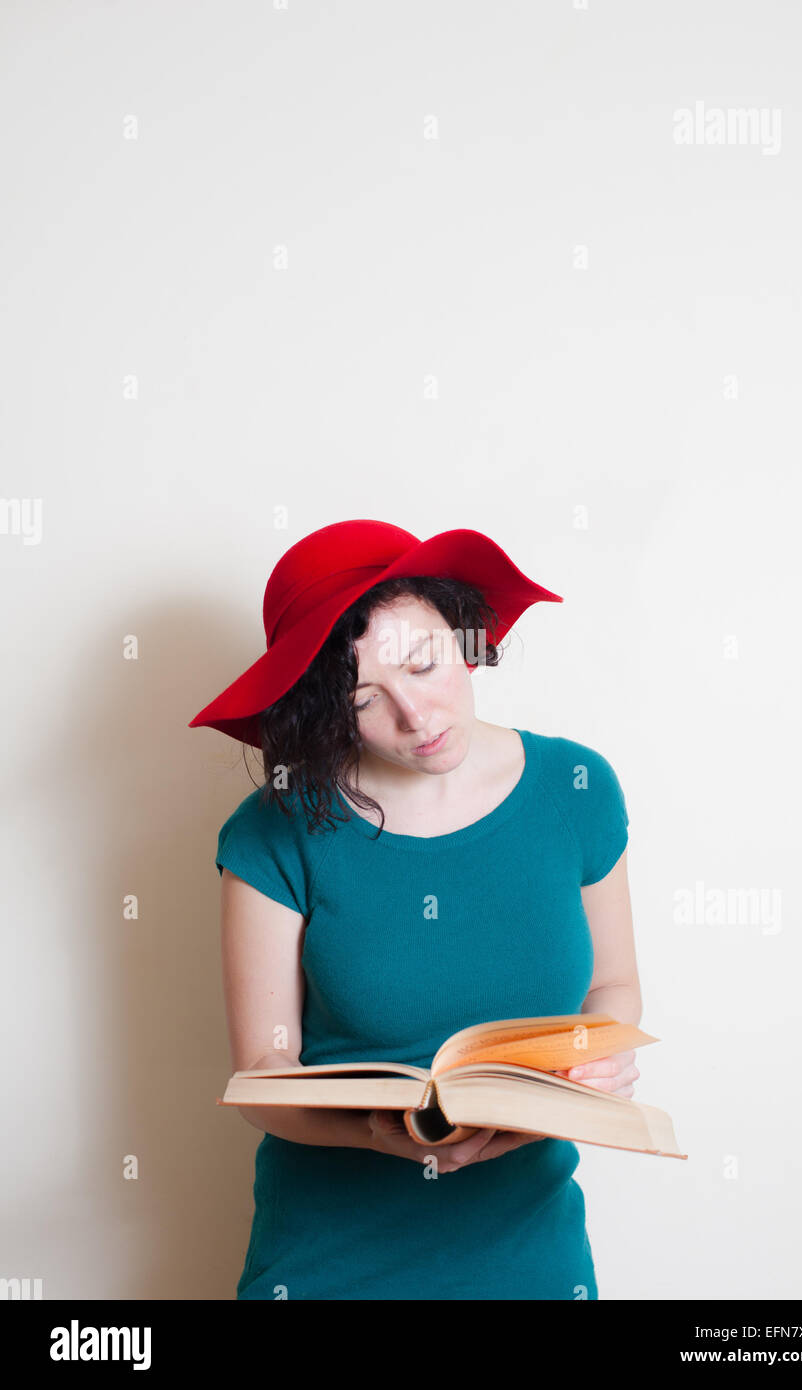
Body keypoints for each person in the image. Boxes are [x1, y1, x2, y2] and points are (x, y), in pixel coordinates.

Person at [189, 518, 642, 1300]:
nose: (416, 717)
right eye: (365, 701)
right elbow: (263, 1076)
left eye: (424, 665)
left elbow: (612, 990)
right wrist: (374, 1132)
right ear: (327, 713)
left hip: (529, 1256)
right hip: (327, 1263)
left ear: (462, 634)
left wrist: (593, 1065)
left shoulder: (577, 789)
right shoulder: (275, 829)